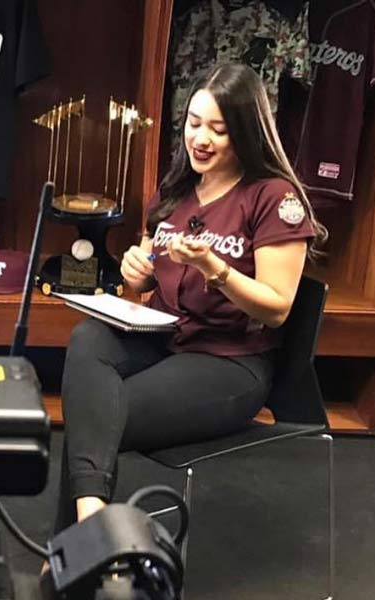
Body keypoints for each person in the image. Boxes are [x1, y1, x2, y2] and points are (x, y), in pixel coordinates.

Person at [54, 63, 328, 532]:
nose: (200, 139)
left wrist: (215, 269)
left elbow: (278, 307)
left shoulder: (273, 197)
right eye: (194, 124)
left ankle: (73, 546)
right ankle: (88, 531)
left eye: (218, 129)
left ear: (244, 131)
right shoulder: (178, 187)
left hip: (229, 361)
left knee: (96, 412)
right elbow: (149, 268)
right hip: (165, 335)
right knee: (88, 339)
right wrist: (135, 272)